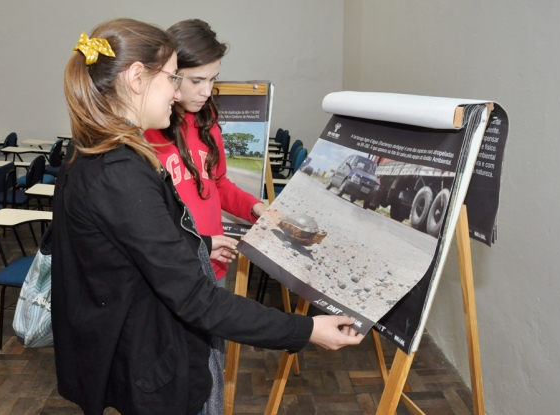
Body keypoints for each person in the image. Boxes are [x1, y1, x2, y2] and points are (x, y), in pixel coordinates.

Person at [53, 18, 363, 415]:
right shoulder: (120, 172)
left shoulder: (94, 149)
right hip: (151, 357)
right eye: (171, 77)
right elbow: (193, 297)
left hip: (142, 342)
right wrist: (307, 329)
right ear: (136, 78)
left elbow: (135, 247)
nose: (177, 90)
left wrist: (198, 243)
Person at [144, 19, 265, 288]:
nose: (207, 91)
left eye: (212, 79)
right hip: (171, 267)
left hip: (214, 263)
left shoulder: (206, 121)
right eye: (196, 80)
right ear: (170, 75)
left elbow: (218, 183)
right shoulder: (147, 131)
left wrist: (255, 207)